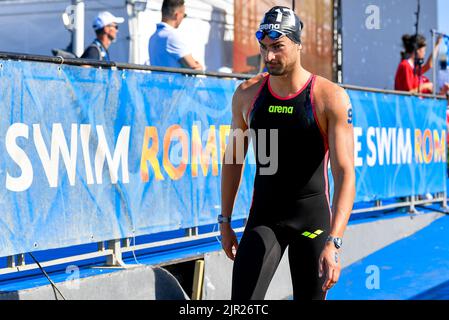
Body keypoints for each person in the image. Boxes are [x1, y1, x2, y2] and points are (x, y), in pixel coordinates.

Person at [219, 6, 355, 300]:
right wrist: (225, 221)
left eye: (278, 47)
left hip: (313, 225)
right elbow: (232, 159)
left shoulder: (328, 98)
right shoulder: (247, 95)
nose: (269, 57)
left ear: (298, 44)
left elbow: (344, 173)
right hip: (265, 219)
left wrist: (334, 242)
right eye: (264, 47)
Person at [148, 0, 203, 70]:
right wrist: (199, 67)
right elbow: (195, 68)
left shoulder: (153, 37)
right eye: (184, 15)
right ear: (177, 15)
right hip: (172, 81)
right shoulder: (171, 36)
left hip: (158, 80)